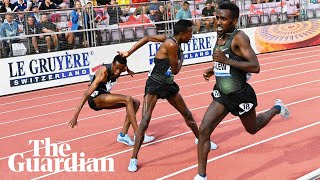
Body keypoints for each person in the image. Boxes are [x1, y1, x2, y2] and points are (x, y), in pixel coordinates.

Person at [194, 2, 290, 180]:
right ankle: (201, 176)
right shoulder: (220, 34)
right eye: (217, 18)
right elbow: (225, 58)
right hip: (223, 94)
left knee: (253, 128)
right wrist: (214, 68)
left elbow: (255, 66)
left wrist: (226, 60)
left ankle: (277, 108)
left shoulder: (240, 37)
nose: (219, 22)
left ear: (234, 21)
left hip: (240, 95)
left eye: (223, 19)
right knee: (203, 131)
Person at [118, 19, 218, 172]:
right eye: (190, 33)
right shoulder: (172, 44)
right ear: (182, 34)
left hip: (168, 84)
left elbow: (147, 38)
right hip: (155, 84)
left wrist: (128, 52)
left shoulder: (168, 38)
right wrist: (183, 58)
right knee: (145, 121)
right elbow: (176, 69)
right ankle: (133, 158)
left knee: (187, 114)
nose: (191, 36)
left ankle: (201, 139)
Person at [68, 55, 155, 146]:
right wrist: (75, 116)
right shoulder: (103, 73)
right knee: (128, 99)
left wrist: (128, 70)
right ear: (112, 64)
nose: (118, 71)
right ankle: (138, 134)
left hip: (105, 95)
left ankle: (123, 135)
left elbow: (124, 67)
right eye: (116, 68)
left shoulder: (122, 67)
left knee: (135, 103)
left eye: (120, 69)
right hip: (95, 99)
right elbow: (86, 94)